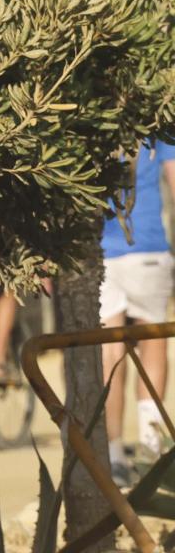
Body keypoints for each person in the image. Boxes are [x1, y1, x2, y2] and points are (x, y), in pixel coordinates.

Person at [100, 137, 175, 485]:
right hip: (148, 245)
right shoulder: (157, 126)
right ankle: (151, 448)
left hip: (102, 252)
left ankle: (113, 455)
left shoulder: (89, 121)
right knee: (153, 341)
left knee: (109, 352)